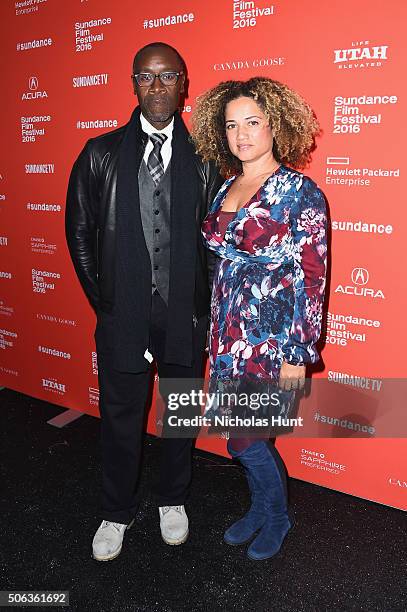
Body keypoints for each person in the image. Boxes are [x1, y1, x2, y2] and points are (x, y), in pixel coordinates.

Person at [65, 42, 222, 561]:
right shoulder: (100, 153)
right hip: (124, 314)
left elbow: (221, 242)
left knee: (179, 414)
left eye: (168, 76)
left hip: (184, 315)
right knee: (119, 418)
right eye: (146, 77)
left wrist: (204, 305)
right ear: (133, 84)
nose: (157, 86)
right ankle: (115, 510)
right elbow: (80, 234)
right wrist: (106, 302)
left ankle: (172, 499)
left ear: (183, 85)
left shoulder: (207, 160)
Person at [191, 78, 327, 560]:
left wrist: (297, 354)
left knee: (245, 440)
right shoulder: (228, 184)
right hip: (228, 334)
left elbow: (312, 277)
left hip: (271, 336)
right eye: (232, 125)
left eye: (253, 122)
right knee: (242, 433)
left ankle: (278, 517)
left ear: (276, 125)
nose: (241, 134)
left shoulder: (299, 191)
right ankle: (258, 507)